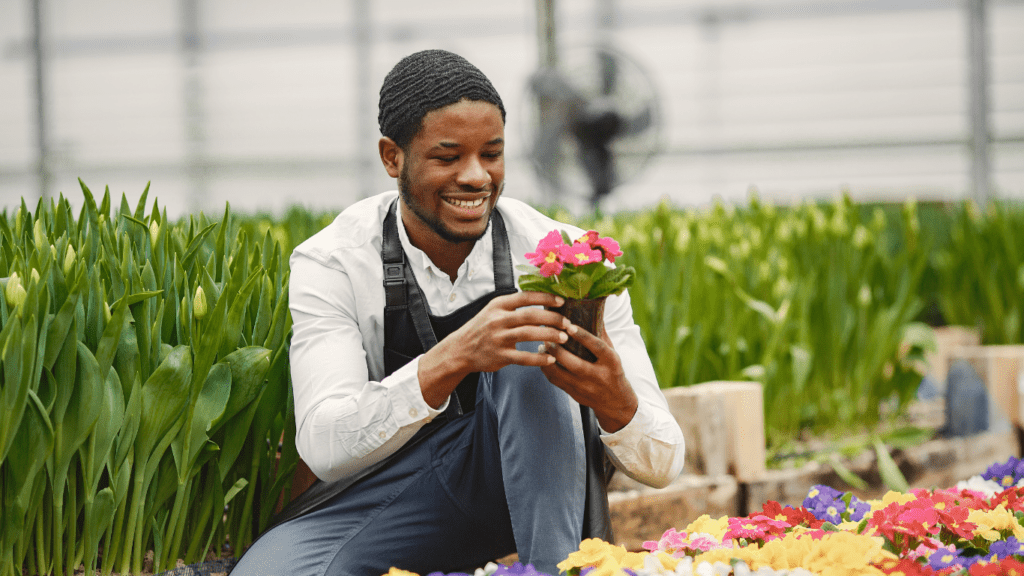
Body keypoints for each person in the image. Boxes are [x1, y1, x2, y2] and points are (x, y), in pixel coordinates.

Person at [230, 49, 685, 576]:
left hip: (539, 494)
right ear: (392, 157)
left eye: (491, 154)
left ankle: (554, 569)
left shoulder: (570, 259)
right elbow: (326, 444)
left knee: (533, 336)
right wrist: (454, 357)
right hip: (398, 493)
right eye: (447, 157)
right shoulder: (334, 261)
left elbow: (664, 462)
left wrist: (616, 403)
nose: (476, 177)